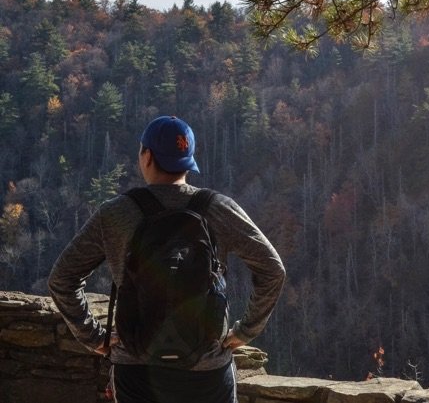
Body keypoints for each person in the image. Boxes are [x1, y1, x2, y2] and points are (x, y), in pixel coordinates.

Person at [49, 115, 286, 403]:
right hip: (206, 371)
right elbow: (273, 270)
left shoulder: (115, 214)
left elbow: (62, 279)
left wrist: (94, 338)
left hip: (137, 370)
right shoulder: (218, 208)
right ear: (188, 160)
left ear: (146, 156)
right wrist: (245, 331)